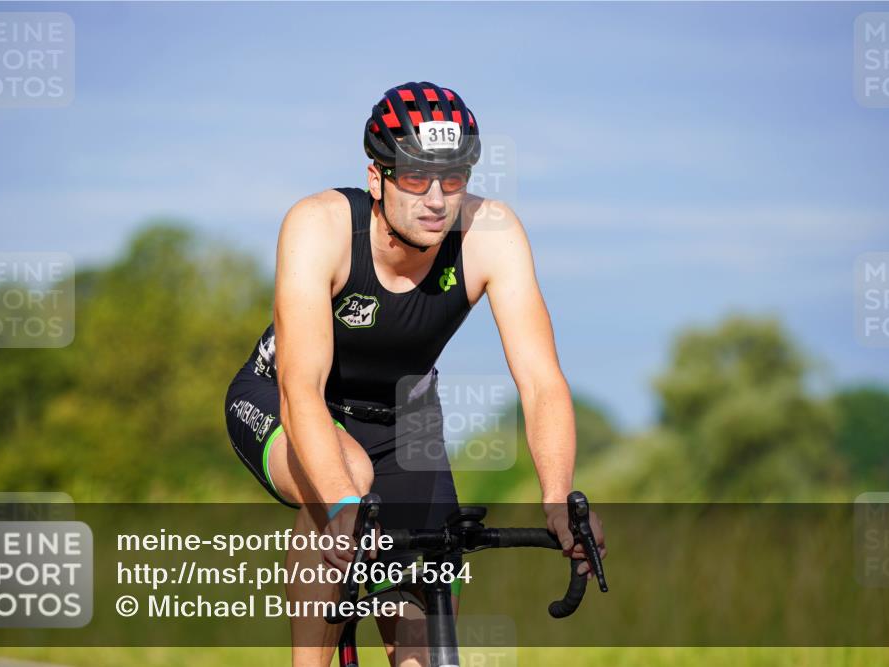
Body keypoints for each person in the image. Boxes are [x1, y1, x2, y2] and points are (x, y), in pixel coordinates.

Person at [225, 81, 605, 667]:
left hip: (408, 426)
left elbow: (541, 380)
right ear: (377, 178)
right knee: (345, 482)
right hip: (288, 400)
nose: (435, 198)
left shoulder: (491, 234)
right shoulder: (319, 225)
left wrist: (557, 499)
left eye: (453, 179)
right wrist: (341, 506)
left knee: (423, 643)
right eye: (414, 178)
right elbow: (302, 390)